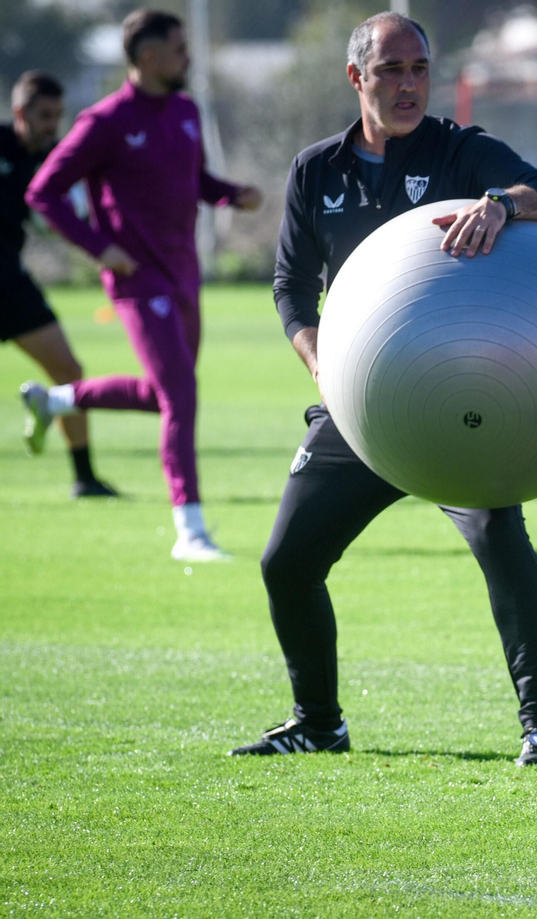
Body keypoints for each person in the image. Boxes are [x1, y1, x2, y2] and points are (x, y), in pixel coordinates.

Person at [230, 11, 537, 766]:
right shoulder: (315, 169)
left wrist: (501, 204)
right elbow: (291, 286)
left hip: (456, 398)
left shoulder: (461, 151)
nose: (409, 84)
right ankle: (319, 721)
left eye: (419, 68)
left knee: (498, 536)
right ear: (357, 78)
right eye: (391, 71)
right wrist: (320, 357)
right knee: (286, 561)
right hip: (360, 407)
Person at [23, 9, 263, 559]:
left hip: (184, 275)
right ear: (149, 56)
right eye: (179, 48)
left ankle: (55, 401)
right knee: (181, 396)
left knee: (164, 398)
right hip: (137, 281)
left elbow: (196, 180)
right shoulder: (105, 121)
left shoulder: (184, 110)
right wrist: (98, 247)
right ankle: (191, 532)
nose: (188, 57)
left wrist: (231, 193)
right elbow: (44, 192)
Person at [3, 71, 116, 496]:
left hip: (10, 284)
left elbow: (73, 212)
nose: (52, 124)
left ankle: (84, 478)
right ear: (20, 112)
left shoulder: (53, 160)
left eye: (57, 116)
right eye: (44, 115)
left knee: (68, 371)